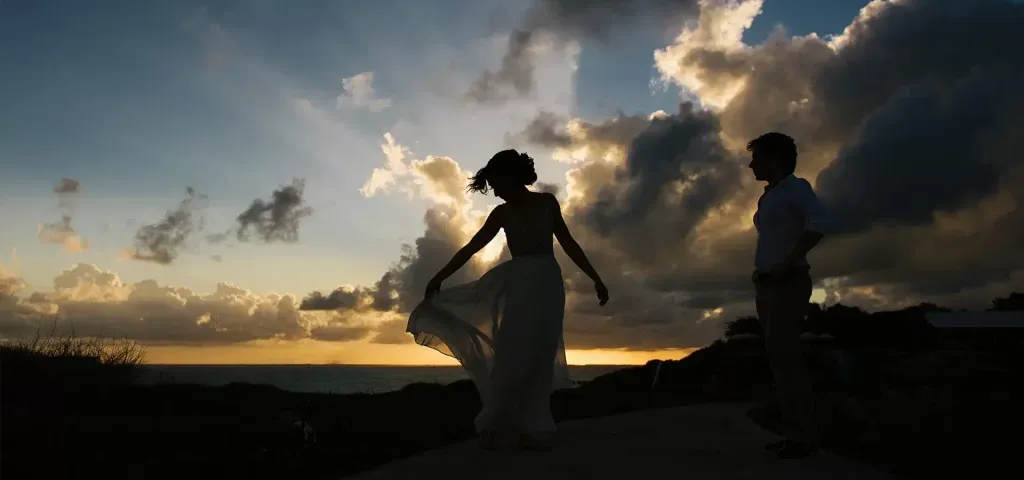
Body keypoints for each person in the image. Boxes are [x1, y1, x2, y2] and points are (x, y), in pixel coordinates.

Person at [407, 149, 609, 451]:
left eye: (497, 183)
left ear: (511, 176)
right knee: (512, 354)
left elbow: (568, 243)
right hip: (520, 285)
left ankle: (532, 427)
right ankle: (497, 424)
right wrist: (439, 276)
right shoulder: (501, 214)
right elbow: (472, 247)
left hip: (548, 284)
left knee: (541, 355)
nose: (495, 191)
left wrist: (596, 278)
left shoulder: (547, 203)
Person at [747, 132, 830, 459]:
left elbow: (820, 223)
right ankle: (794, 434)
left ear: (775, 159)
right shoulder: (768, 198)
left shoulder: (796, 187)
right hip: (766, 284)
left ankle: (803, 438)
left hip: (789, 281)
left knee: (786, 359)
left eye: (757, 158)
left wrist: (787, 263)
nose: (751, 164)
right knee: (778, 360)